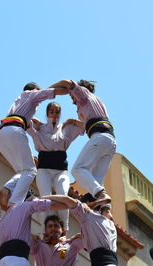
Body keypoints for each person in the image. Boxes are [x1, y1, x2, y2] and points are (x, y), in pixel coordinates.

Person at [0, 82, 69, 210]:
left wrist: (36, 124)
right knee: (30, 170)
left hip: (1, 134)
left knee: (22, 171)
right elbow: (55, 91)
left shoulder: (18, 102)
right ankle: (15, 203)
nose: (39, 103)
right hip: (15, 130)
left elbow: (29, 125)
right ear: (34, 90)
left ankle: (7, 190)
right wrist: (72, 89)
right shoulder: (32, 95)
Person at [49, 79, 116, 207]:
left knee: (77, 169)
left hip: (100, 137)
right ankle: (103, 208)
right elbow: (86, 125)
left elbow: (67, 82)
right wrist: (73, 121)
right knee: (96, 181)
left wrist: (46, 91)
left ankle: (101, 195)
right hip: (110, 141)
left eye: (72, 97)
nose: (73, 101)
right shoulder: (97, 102)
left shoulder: (84, 94)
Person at [27, 102, 84, 232]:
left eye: (57, 111)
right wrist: (36, 123)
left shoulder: (66, 128)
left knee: (63, 195)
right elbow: (25, 120)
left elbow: (85, 126)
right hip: (44, 169)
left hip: (61, 170)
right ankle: (45, 230)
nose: (54, 114)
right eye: (52, 111)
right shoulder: (39, 127)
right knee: (45, 197)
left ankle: (64, 230)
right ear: (47, 113)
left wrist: (73, 121)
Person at [45, 194, 118, 266]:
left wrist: (39, 199)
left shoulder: (88, 216)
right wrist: (72, 239)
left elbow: (67, 200)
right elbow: (83, 240)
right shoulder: (111, 225)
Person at [0, 196, 69, 266]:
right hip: (15, 259)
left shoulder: (6, 218)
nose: (53, 229)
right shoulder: (27, 206)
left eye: (56, 226)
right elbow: (55, 205)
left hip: (1, 261)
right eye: (50, 226)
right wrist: (71, 205)